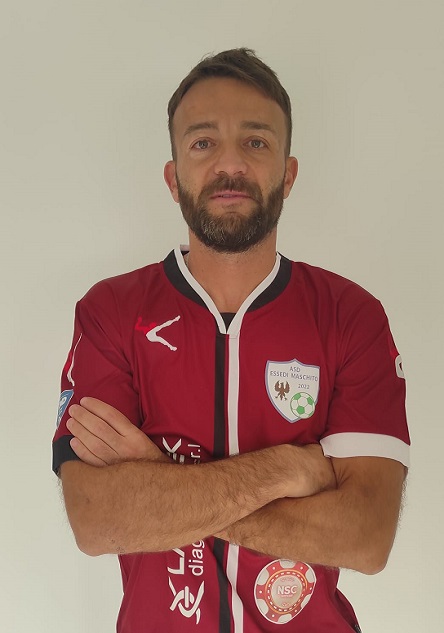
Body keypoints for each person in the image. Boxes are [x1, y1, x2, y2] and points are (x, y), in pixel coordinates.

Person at [53, 48, 410, 632]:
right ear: (173, 179)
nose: (230, 163)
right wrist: (286, 470)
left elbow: (366, 538)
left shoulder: (351, 317)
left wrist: (160, 480)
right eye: (202, 142)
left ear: (288, 174)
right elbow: (97, 518)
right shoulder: (111, 313)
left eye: (256, 141)